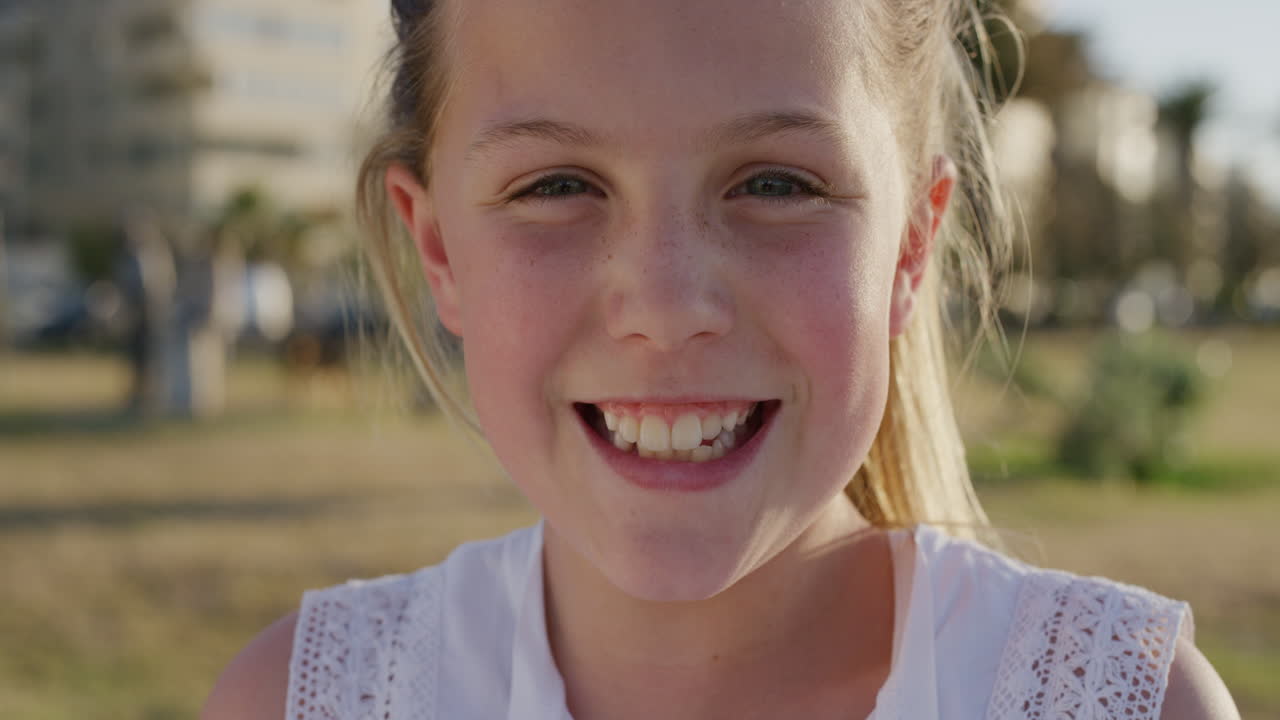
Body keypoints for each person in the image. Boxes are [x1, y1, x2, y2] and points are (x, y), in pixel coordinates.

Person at [203, 0, 1240, 717]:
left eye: (776, 185)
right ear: (437, 249)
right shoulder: (302, 703)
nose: (663, 306)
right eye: (555, 186)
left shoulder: (1121, 703)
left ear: (910, 246)